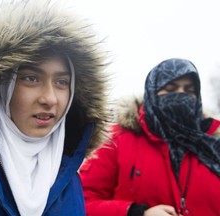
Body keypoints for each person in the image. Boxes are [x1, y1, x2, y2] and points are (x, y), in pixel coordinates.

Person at [0, 0, 110, 215]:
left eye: (62, 82)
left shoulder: (69, 176)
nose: (50, 99)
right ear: (1, 85)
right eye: (31, 78)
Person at [79, 58, 220, 216]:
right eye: (170, 88)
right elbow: (81, 203)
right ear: (152, 92)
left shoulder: (213, 146)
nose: (180, 95)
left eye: (188, 90)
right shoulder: (116, 141)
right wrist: (137, 213)